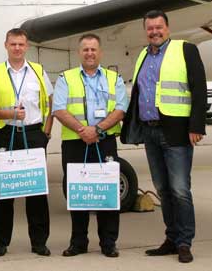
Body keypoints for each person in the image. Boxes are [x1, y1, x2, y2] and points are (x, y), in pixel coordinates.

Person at [121, 9, 207, 263]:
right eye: (150, 28)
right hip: (151, 131)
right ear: (145, 31)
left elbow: (199, 88)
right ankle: (171, 238)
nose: (154, 32)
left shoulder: (185, 50)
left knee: (180, 189)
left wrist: (197, 127)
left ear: (167, 28)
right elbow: (139, 92)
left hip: (177, 132)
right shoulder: (143, 55)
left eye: (159, 27)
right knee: (163, 189)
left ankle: (184, 242)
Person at [53, 33, 128, 258]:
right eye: (85, 49)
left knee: (107, 192)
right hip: (75, 143)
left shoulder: (114, 78)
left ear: (100, 52)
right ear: (79, 53)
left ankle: (108, 242)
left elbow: (121, 109)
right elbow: (59, 108)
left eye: (93, 49)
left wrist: (97, 130)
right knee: (78, 193)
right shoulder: (66, 78)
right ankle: (78, 242)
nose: (89, 53)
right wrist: (82, 130)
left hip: (104, 143)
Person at [0, 28, 54, 257]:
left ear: (27, 47)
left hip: (34, 133)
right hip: (6, 133)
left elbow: (50, 101)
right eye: (13, 44)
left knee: (36, 192)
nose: (17, 48)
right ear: (6, 45)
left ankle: (39, 242)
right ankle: (1, 241)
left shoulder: (38, 71)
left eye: (21, 44)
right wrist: (8, 114)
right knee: (3, 191)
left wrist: (46, 132)